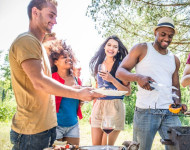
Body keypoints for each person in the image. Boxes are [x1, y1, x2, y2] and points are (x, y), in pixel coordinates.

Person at [8, 0, 103, 149]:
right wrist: (78, 94)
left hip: (45, 128)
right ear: (35, 12)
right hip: (31, 131)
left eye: (55, 17)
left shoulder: (38, 45)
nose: (55, 21)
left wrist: (82, 90)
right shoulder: (26, 41)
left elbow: (50, 83)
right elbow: (39, 82)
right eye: (51, 16)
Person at [116, 17, 187, 150]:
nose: (166, 38)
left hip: (169, 112)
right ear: (155, 33)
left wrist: (177, 102)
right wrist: (138, 77)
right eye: (163, 34)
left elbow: (175, 86)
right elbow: (120, 72)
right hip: (145, 111)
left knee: (178, 147)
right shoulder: (142, 48)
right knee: (140, 148)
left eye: (170, 36)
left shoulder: (174, 59)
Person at [89, 35, 131, 146]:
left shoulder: (122, 66)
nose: (111, 48)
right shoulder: (99, 65)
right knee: (95, 147)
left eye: (115, 47)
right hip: (99, 106)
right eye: (109, 45)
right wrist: (93, 111)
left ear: (118, 50)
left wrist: (111, 79)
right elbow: (99, 89)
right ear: (104, 47)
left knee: (106, 147)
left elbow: (128, 91)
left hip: (115, 106)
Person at [50, 40, 82, 145]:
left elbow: (79, 102)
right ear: (55, 62)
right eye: (64, 57)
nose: (68, 59)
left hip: (73, 125)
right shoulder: (51, 78)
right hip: (56, 125)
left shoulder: (77, 79)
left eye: (69, 57)